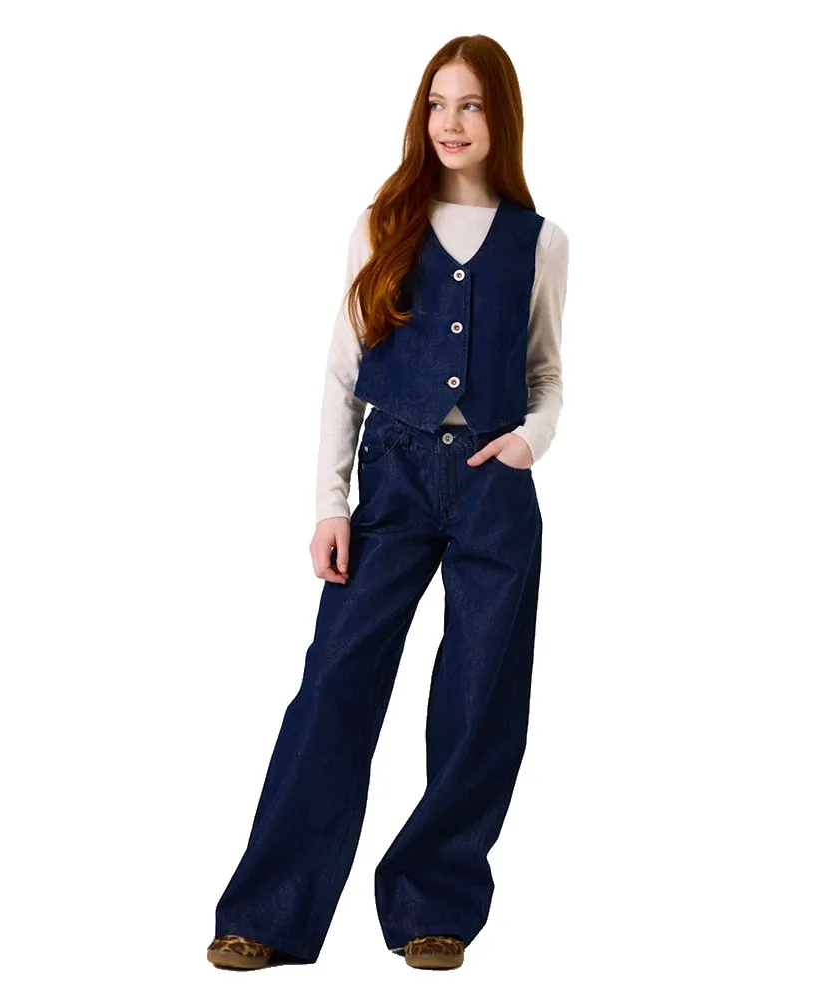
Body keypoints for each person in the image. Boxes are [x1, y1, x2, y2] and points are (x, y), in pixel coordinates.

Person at [207, 33, 569, 972]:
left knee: (481, 698)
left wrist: (531, 439)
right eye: (438, 104)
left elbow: (546, 373)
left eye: (471, 104)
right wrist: (330, 502)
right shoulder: (383, 224)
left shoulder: (541, 242)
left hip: (495, 484)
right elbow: (342, 372)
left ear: (500, 118)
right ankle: (268, 914)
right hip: (394, 478)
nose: (452, 122)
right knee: (335, 683)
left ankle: (432, 907)